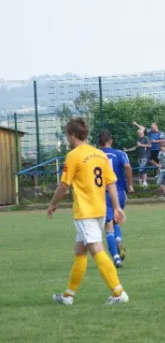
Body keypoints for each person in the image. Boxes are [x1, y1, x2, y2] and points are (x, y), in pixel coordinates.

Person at [48, 118, 129, 305]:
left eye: (67, 135)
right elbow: (111, 182)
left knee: (96, 251)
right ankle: (68, 296)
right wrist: (116, 207)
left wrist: (52, 204)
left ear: (72, 135)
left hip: (85, 212)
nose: (67, 138)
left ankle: (119, 293)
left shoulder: (74, 155)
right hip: (100, 209)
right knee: (80, 252)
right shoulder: (99, 154)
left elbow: (64, 185)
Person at [98, 129, 134, 268]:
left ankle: (116, 258)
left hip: (103, 193)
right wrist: (130, 184)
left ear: (99, 142)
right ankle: (119, 239)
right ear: (111, 140)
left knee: (108, 226)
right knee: (117, 218)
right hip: (119, 191)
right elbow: (127, 166)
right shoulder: (120, 153)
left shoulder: (96, 155)